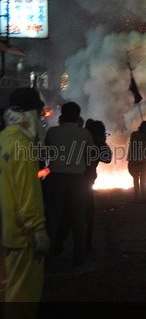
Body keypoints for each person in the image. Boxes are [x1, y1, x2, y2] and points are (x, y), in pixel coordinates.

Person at [0, 88, 49, 311]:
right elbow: (26, 192)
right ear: (30, 115)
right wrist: (37, 229)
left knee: (7, 291)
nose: (39, 120)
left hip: (5, 232)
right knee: (22, 299)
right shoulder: (22, 146)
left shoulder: (3, 139)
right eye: (39, 114)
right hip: (22, 237)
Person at [45, 102, 94, 266]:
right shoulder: (84, 133)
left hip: (55, 180)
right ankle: (78, 257)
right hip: (77, 181)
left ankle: (47, 256)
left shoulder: (52, 132)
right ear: (78, 116)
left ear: (62, 116)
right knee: (78, 219)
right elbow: (91, 155)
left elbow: (46, 153)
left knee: (53, 219)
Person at [84, 119, 112, 254]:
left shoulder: (78, 140)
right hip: (82, 186)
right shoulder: (94, 146)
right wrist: (102, 142)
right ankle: (85, 247)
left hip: (63, 184)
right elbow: (107, 158)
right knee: (88, 217)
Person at [127, 120, 146, 201]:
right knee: (136, 178)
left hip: (142, 161)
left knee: (144, 179)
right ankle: (137, 196)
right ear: (144, 128)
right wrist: (143, 136)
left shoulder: (145, 136)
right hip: (134, 161)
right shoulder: (135, 134)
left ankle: (144, 196)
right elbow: (136, 142)